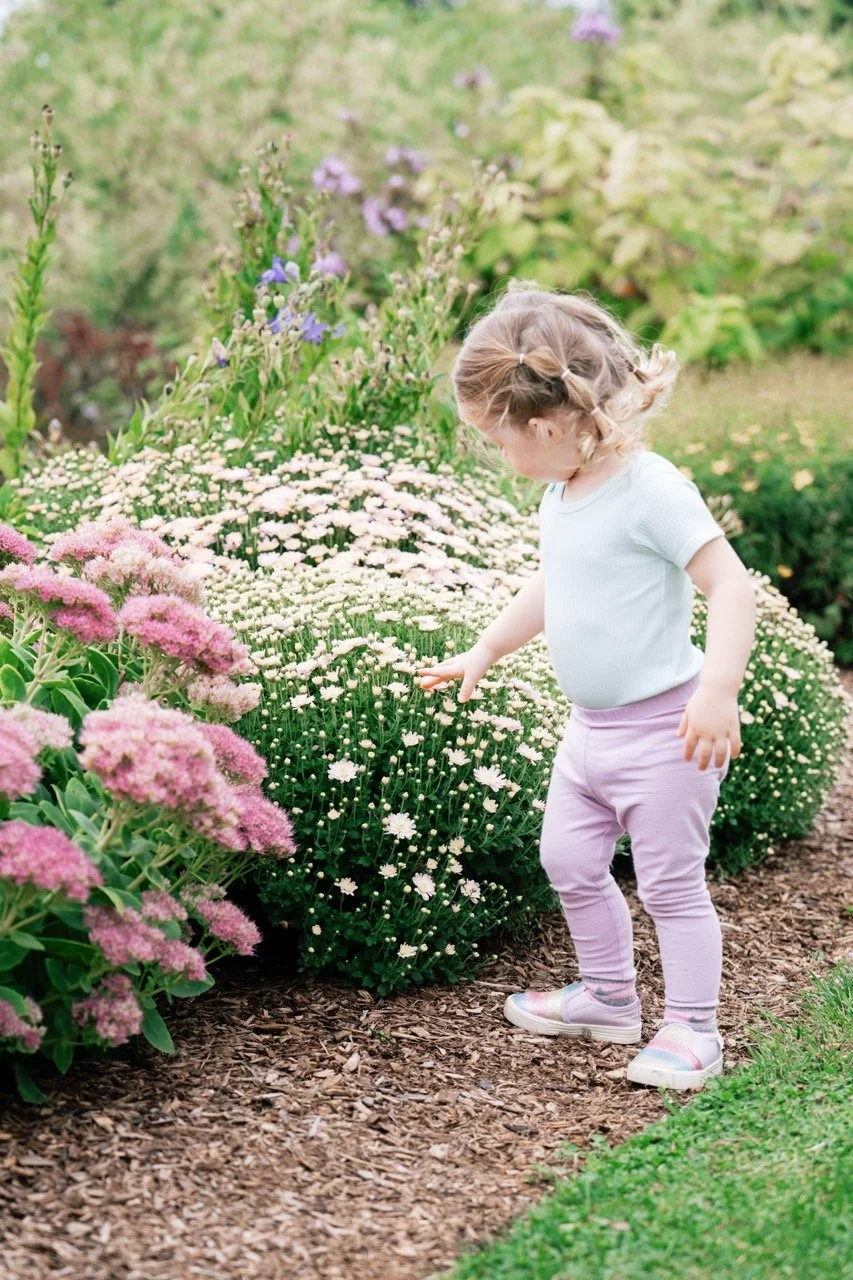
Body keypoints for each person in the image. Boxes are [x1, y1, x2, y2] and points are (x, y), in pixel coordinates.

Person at [415, 283, 757, 1091]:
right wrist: (485, 649)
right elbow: (553, 585)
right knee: (566, 858)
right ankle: (608, 999)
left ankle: (692, 1030)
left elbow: (731, 587)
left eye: (496, 441)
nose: (500, 458)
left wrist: (717, 692)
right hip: (590, 734)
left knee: (671, 883)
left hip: (667, 731)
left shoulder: (651, 490)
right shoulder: (561, 492)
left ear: (546, 424)